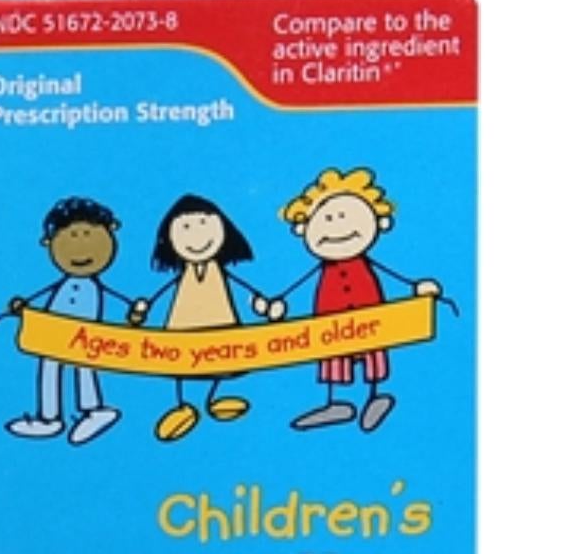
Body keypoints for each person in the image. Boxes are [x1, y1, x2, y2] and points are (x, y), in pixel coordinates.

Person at [267, 167, 442, 432]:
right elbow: (297, 286)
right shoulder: (324, 268)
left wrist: (417, 287)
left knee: (373, 355)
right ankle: (337, 403)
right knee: (335, 358)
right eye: (327, 218)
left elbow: (393, 275)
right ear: (305, 228)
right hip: (331, 321)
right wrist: (277, 305)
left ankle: (375, 397)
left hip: (371, 318)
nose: (337, 226)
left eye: (343, 216)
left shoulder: (364, 263)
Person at [128, 194, 272, 443]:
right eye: (185, 228)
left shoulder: (220, 273)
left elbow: (245, 290)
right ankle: (182, 405)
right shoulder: (182, 277)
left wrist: (263, 306)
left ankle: (212, 400)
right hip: (182, 327)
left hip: (222, 326)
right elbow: (157, 296)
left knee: (223, 363)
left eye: (204, 224)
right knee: (180, 363)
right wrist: (139, 312)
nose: (196, 236)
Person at [4, 197, 127, 445]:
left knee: (84, 366)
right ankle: (49, 417)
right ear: (49, 243)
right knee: (49, 366)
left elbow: (118, 301)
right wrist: (24, 309)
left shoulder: (91, 287)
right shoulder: (62, 285)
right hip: (53, 333)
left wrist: (135, 313)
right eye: (71, 237)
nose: (80, 247)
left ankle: (94, 409)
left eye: (88, 235)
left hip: (83, 335)